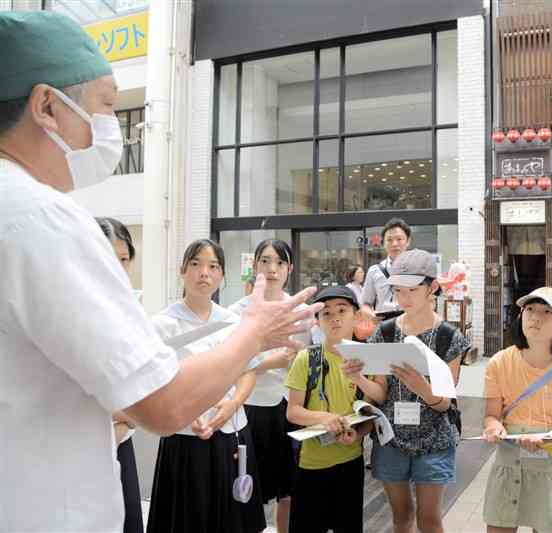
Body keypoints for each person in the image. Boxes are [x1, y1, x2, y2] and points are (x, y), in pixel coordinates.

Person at [0, 13, 319, 530]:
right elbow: (164, 403)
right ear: (46, 106)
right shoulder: (43, 220)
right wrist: (253, 332)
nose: (110, 129)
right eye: (105, 106)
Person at [147, 239, 266, 533]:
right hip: (185, 436)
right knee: (188, 519)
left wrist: (233, 404)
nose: (204, 273)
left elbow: (248, 371)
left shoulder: (233, 322)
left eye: (213, 267)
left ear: (222, 275)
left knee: (233, 520)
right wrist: (186, 411)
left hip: (231, 431)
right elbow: (155, 382)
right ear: (182, 271)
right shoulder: (162, 324)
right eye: (196, 264)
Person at [367, 249, 471, 533]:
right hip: (391, 439)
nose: (403, 298)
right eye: (398, 290)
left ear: (432, 287)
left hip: (435, 438)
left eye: (411, 290)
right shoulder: (384, 333)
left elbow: (444, 404)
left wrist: (422, 388)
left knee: (429, 519)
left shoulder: (450, 337)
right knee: (401, 517)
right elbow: (379, 393)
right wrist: (359, 379)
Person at [482, 287, 552, 533]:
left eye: (546, 312)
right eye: (529, 310)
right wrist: (494, 426)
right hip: (509, 462)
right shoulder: (499, 362)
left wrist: (543, 438)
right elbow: (491, 414)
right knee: (499, 525)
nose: (535, 318)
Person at [228, 239, 309, 533]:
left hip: (288, 407)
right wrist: (270, 362)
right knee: (247, 485)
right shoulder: (238, 311)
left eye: (279, 262)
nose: (272, 269)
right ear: (255, 267)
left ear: (289, 269)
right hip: (247, 405)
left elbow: (309, 359)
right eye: (265, 261)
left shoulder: (301, 310)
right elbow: (229, 362)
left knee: (288, 488)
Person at [285, 286, 376, 533]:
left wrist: (357, 434)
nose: (334, 317)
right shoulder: (308, 358)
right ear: (317, 322)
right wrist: (325, 417)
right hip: (311, 465)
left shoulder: (367, 360)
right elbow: (293, 411)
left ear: (356, 316)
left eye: (342, 310)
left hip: (351, 461)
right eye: (326, 313)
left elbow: (370, 415)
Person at [96, 216, 144, 533]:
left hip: (122, 439)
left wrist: (130, 416)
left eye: (124, 260)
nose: (117, 268)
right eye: (108, 257)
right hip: (83, 444)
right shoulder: (65, 309)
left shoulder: (131, 313)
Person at [362, 217, 412, 320]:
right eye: (389, 240)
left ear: (408, 241)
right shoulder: (374, 271)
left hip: (410, 322)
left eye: (399, 239)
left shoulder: (417, 269)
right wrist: (371, 316)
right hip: (382, 324)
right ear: (383, 243)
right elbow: (365, 304)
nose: (394, 244)